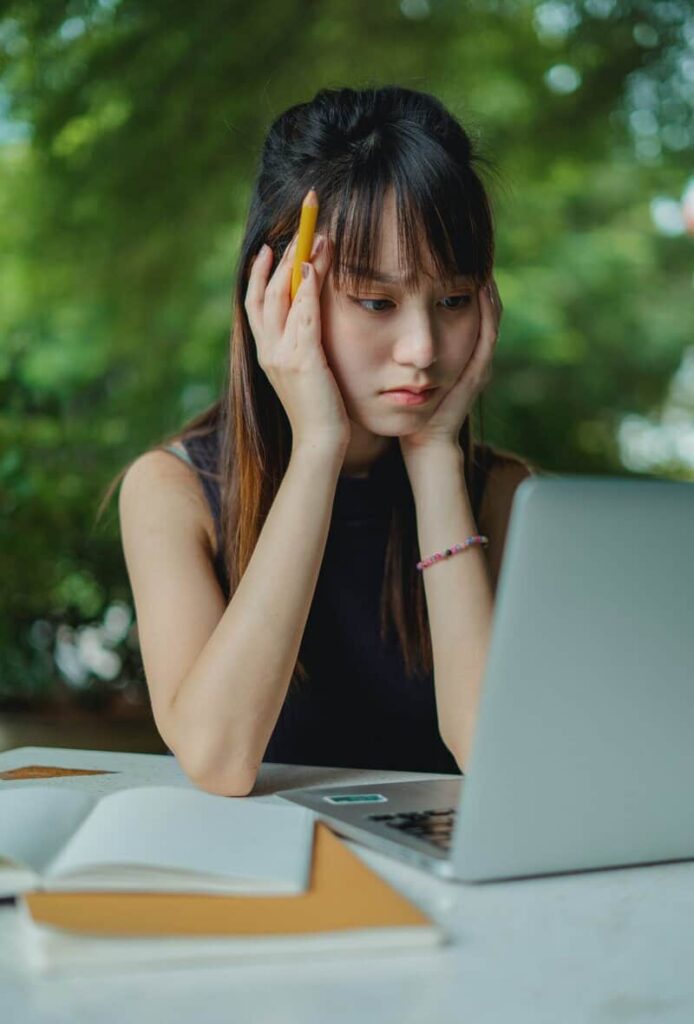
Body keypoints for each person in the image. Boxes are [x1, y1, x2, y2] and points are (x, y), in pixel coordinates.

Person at [105, 85, 534, 796]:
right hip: (257, 882)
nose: (422, 349)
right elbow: (219, 759)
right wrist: (316, 449)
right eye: (377, 302)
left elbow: (497, 757)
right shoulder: (173, 491)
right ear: (278, 292)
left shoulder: (505, 497)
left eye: (454, 299)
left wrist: (434, 465)